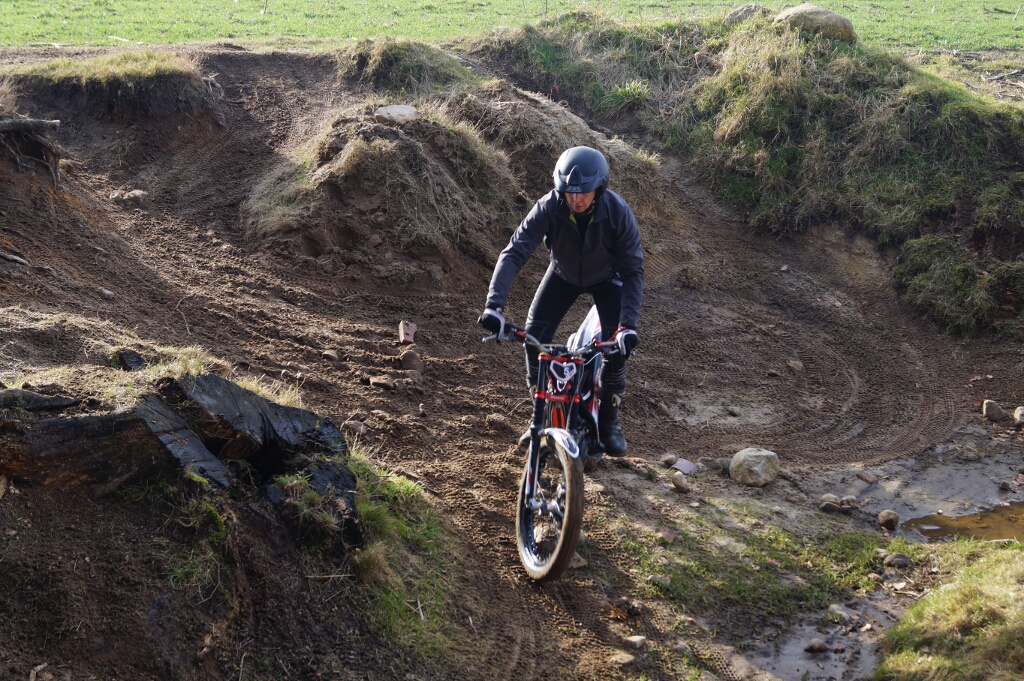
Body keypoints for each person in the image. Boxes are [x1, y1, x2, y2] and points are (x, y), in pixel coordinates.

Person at [478, 146, 644, 456]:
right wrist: (494, 306)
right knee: (534, 340)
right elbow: (514, 253)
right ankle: (539, 418)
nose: (575, 199)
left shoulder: (618, 212)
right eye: (569, 192)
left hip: (609, 279)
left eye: (583, 193)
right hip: (563, 274)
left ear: (600, 188)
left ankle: (609, 423)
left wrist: (628, 326)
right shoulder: (548, 206)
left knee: (616, 349)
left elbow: (634, 271)